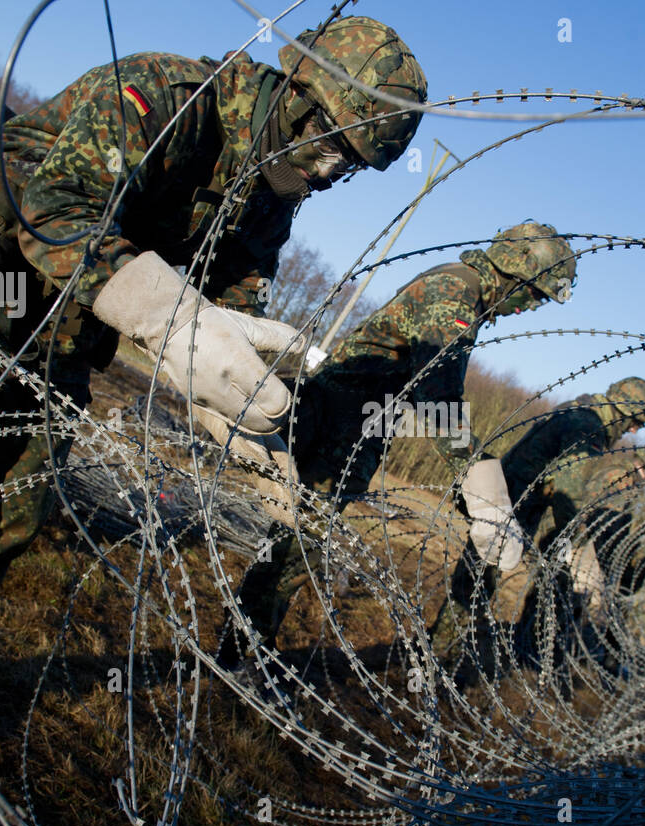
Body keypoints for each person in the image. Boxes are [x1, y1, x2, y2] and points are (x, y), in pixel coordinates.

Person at [0, 16, 427, 768]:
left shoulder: (273, 191)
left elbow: (238, 291)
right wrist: (164, 317)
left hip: (69, 321)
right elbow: (53, 204)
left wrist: (239, 397)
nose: (334, 174)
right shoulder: (166, 97)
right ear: (305, 101)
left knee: (18, 499)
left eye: (355, 166)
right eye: (337, 147)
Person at [218, 223, 579, 679]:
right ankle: (240, 651)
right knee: (297, 541)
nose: (529, 307)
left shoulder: (464, 291)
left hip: (360, 425)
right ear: (518, 272)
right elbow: (437, 391)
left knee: (298, 539)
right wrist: (480, 481)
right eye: (534, 294)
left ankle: (243, 644)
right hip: (344, 424)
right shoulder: (456, 292)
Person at [429, 377, 645, 680]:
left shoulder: (582, 412)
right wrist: (576, 545)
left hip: (512, 497)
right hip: (511, 504)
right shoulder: (587, 425)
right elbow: (569, 487)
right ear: (623, 411)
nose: (633, 430)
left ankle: (438, 650)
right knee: (477, 582)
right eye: (635, 423)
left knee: (475, 579)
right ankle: (438, 659)